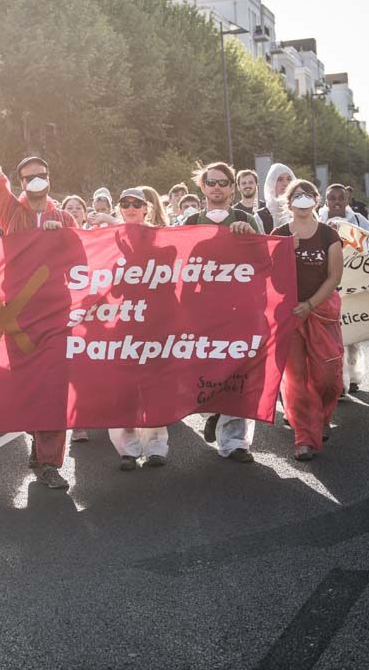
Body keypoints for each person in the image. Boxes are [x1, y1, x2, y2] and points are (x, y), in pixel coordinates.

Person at [0, 100, 76, 490]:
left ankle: (50, 463)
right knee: (29, 389)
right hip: (17, 319)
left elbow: (81, 261)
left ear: (49, 178)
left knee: (53, 389)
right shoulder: (10, 213)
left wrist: (61, 239)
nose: (36, 180)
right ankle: (38, 439)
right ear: (21, 183)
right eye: (29, 176)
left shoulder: (64, 217)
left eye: (42, 175)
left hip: (56, 317)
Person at [184, 162, 264, 463]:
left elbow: (265, 262)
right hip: (203, 312)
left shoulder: (247, 219)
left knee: (239, 372)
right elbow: (179, 266)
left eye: (223, 182)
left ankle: (235, 443)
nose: (216, 187)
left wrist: (248, 238)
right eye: (211, 182)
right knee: (206, 372)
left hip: (240, 310)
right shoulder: (189, 221)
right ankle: (215, 411)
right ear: (202, 187)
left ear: (232, 188)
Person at [272, 180, 345, 460]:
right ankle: (304, 436)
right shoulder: (279, 234)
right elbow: (272, 279)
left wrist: (311, 304)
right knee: (296, 378)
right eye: (296, 196)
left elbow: (334, 276)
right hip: (289, 315)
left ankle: (322, 416)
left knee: (327, 375)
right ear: (288, 203)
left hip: (322, 312)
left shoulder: (328, 235)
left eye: (308, 195)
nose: (302, 199)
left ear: (317, 200)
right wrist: (285, 252)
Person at [108, 188, 172, 468]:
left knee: (156, 385)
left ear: (146, 208)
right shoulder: (108, 240)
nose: (131, 207)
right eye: (125, 203)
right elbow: (113, 286)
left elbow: (168, 276)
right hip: (124, 321)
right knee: (124, 387)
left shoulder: (164, 238)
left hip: (157, 320)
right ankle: (128, 449)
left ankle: (157, 446)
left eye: (137, 203)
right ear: (119, 208)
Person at [320, 183, 369, 393]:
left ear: (347, 200)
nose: (336, 202)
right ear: (326, 201)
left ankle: (353, 376)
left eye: (340, 198)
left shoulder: (359, 220)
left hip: (354, 285)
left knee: (352, 337)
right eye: (332, 198)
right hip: (328, 286)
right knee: (332, 337)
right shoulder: (318, 221)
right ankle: (337, 382)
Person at [262, 162, 295, 233]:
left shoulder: (300, 211)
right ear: (271, 183)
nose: (286, 183)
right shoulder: (260, 217)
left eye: (289, 179)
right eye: (280, 179)